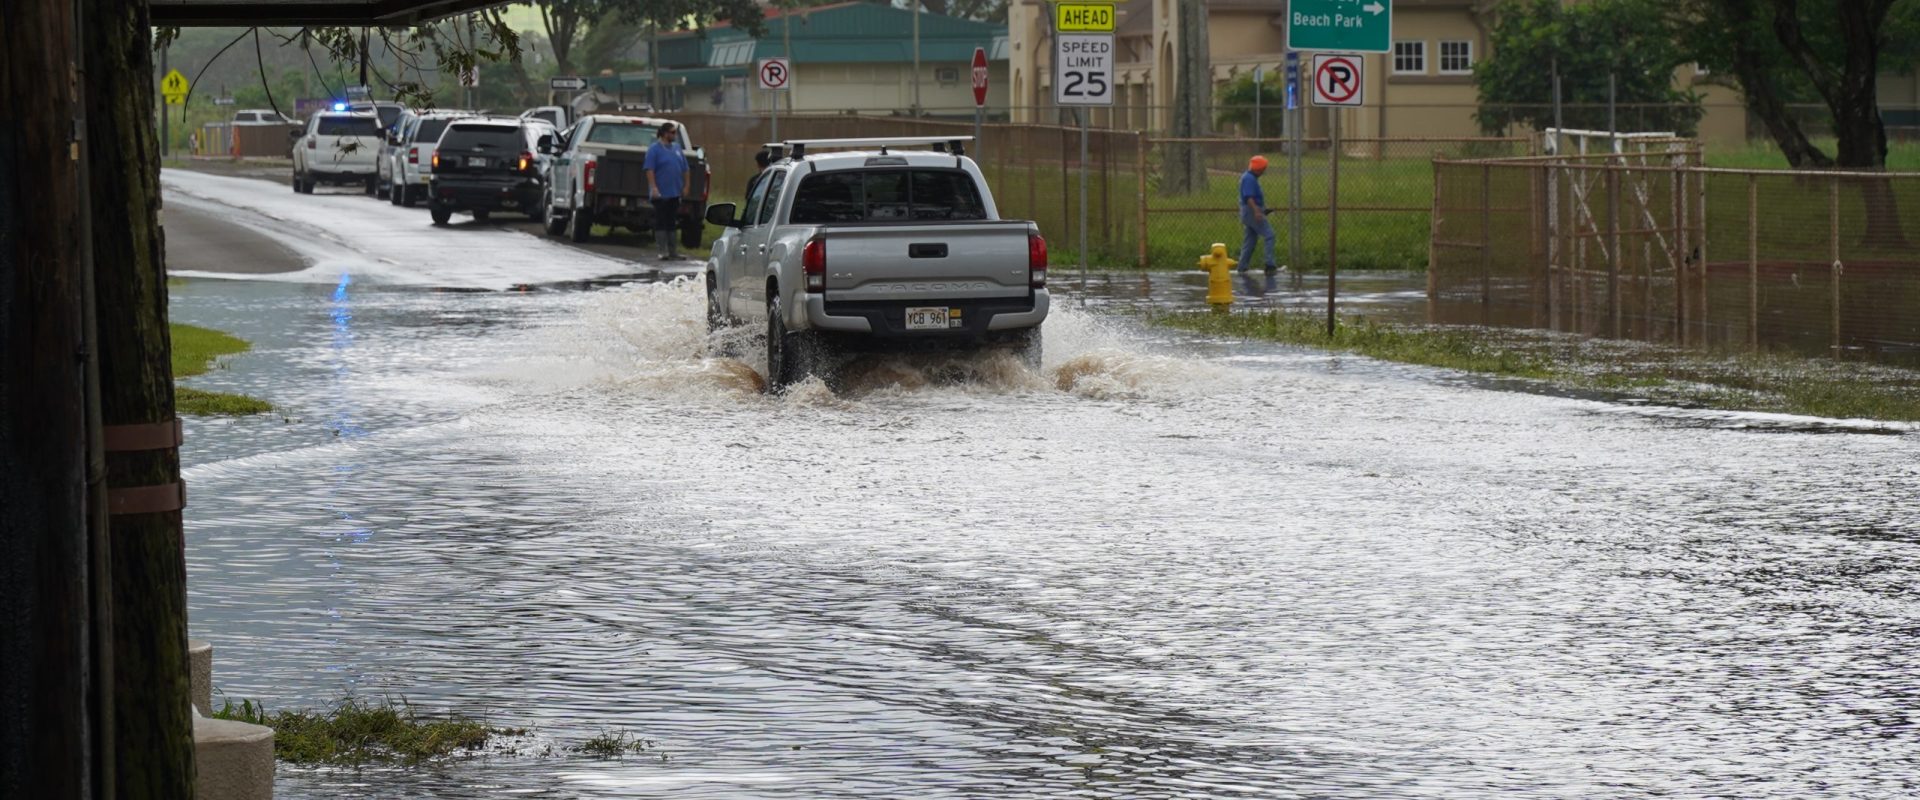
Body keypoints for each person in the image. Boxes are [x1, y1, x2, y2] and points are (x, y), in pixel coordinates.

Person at [644, 122, 690, 260]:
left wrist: (686, 185)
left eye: (675, 132)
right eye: (672, 132)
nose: (674, 135)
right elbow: (649, 169)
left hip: (675, 192)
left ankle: (673, 251)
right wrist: (654, 187)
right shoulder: (654, 149)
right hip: (660, 193)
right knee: (661, 220)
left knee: (671, 221)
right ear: (665, 133)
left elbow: (685, 168)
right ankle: (662, 250)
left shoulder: (677, 148)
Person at [1238, 155, 1280, 278]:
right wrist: (1257, 211)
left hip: (1249, 211)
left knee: (1250, 240)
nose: (1264, 171)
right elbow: (1249, 197)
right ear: (1259, 169)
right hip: (1251, 211)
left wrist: (1263, 209)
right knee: (1269, 235)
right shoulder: (1249, 179)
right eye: (1263, 169)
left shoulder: (1249, 177)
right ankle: (1270, 265)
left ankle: (1242, 266)